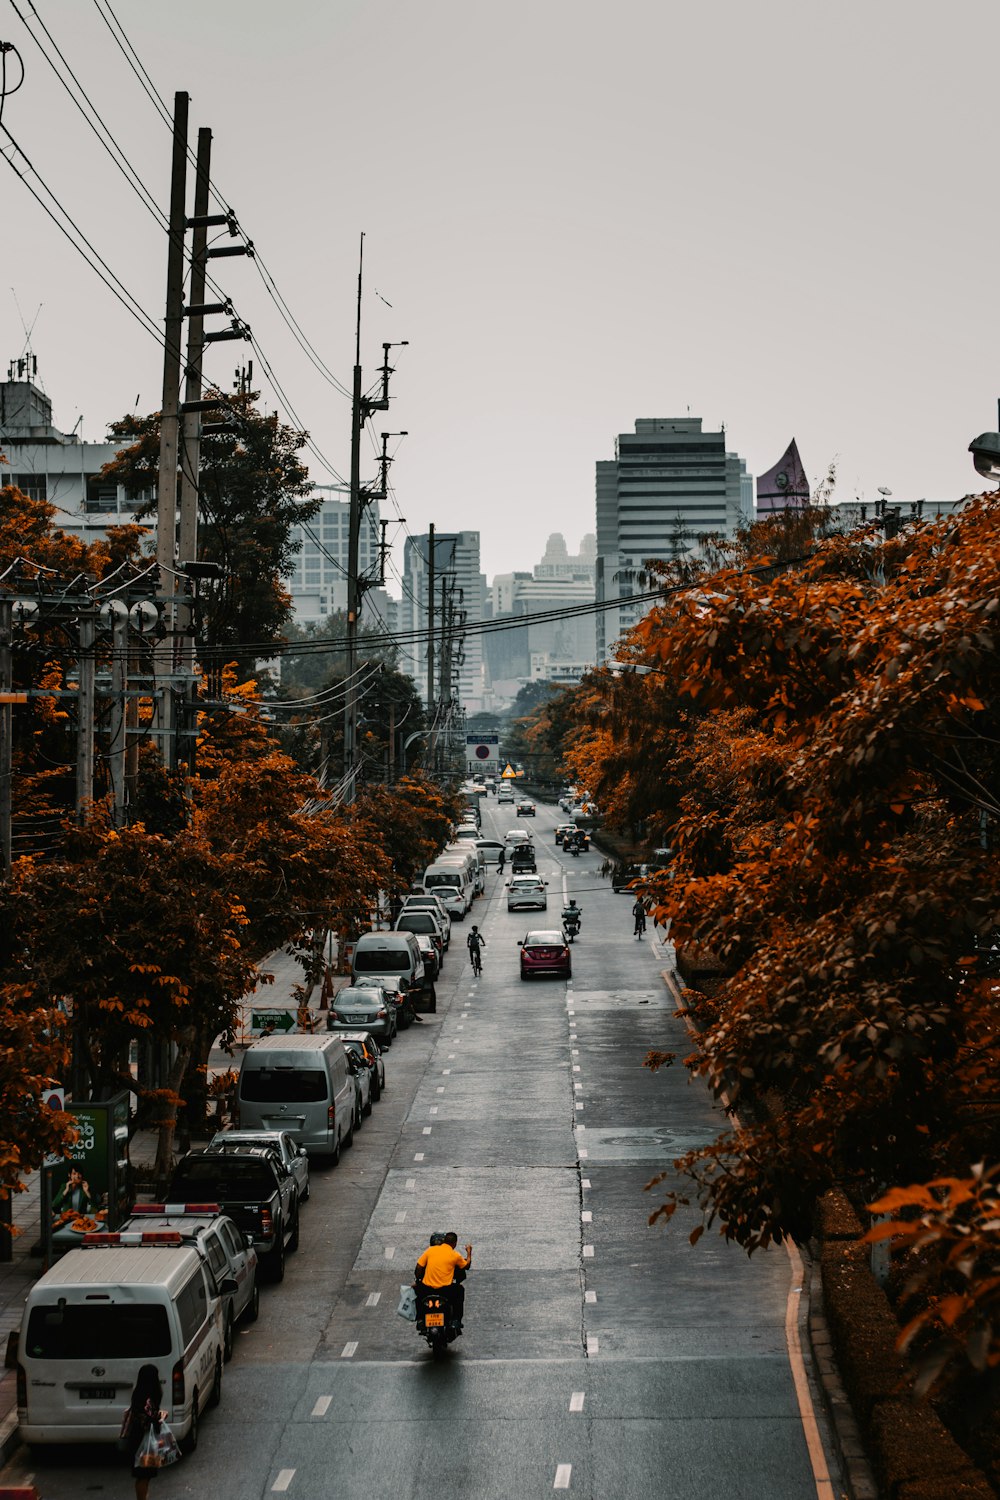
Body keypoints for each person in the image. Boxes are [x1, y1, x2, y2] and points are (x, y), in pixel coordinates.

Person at [414, 1230, 472, 1331]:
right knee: (460, 1290)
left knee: (416, 1293)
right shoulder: (455, 1255)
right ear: (455, 1243)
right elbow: (466, 1265)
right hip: (446, 1290)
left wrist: (418, 1280)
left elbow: (419, 1267)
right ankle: (456, 1320)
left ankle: (420, 1319)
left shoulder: (430, 1251)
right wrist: (469, 1252)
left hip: (427, 1289)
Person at [124, 1363, 164, 1500]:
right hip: (144, 1443)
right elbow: (147, 1420)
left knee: (143, 1476)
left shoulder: (139, 1395)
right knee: (144, 1475)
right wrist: (159, 1417)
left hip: (139, 1441)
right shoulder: (148, 1399)